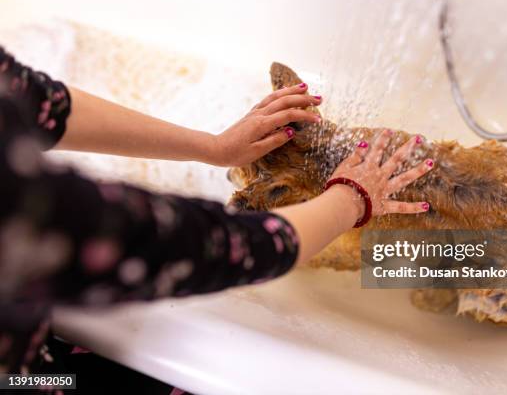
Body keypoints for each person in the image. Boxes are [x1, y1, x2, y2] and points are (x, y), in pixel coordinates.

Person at [0, 45, 433, 394]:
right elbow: (201, 246)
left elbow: (42, 102)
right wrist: (351, 201)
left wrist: (212, 146)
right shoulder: (27, 214)